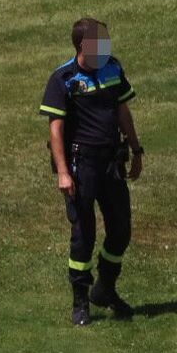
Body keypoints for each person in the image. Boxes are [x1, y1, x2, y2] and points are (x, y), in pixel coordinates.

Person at [39, 17, 145, 326]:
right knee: (84, 235)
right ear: (82, 46)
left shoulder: (112, 67)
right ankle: (81, 300)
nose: (106, 47)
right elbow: (56, 130)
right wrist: (63, 172)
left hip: (111, 163)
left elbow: (123, 111)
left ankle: (105, 288)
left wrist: (136, 149)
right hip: (80, 164)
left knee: (121, 230)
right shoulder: (63, 78)